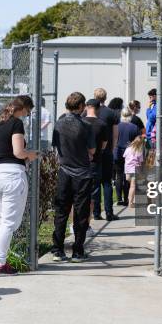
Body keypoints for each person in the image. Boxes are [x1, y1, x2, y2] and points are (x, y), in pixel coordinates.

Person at [0, 96, 38, 276]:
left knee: (0, 219)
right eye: (27, 111)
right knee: (9, 223)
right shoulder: (16, 123)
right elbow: (18, 152)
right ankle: (0, 265)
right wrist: (30, 154)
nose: (27, 115)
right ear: (22, 108)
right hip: (12, 175)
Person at [51, 92, 95, 262]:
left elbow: (56, 147)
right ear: (80, 106)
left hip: (64, 171)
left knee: (61, 210)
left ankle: (58, 250)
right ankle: (77, 251)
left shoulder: (59, 124)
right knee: (80, 212)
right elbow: (92, 150)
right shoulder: (85, 126)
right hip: (82, 173)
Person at [93, 88, 119, 221]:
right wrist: (112, 148)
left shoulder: (89, 112)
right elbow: (115, 135)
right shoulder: (112, 113)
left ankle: (96, 213)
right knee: (107, 182)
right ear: (105, 98)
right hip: (107, 150)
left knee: (95, 183)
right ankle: (109, 213)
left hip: (93, 152)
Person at [82, 99, 108, 225]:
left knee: (77, 194)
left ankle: (75, 224)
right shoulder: (102, 124)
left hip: (78, 162)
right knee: (91, 195)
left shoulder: (80, 122)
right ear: (98, 109)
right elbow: (103, 145)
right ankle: (86, 225)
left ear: (86, 107)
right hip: (95, 162)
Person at [113, 108, 140, 206]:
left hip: (117, 152)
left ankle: (119, 198)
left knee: (119, 175)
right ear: (130, 116)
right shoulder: (134, 127)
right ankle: (127, 199)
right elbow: (138, 141)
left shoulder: (117, 126)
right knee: (128, 177)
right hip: (130, 155)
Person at [123, 136, 144, 208]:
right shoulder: (139, 151)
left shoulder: (128, 149)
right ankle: (130, 203)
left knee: (131, 185)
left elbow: (124, 157)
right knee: (133, 187)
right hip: (135, 169)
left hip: (127, 169)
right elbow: (140, 162)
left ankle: (131, 200)